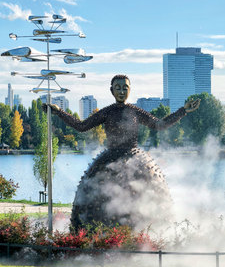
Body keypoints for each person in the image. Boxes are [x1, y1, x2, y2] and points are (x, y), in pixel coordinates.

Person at [42, 74, 200, 232]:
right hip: (108, 162)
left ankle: (151, 234)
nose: (122, 91)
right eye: (118, 88)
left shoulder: (135, 111)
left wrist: (183, 111)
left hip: (136, 161)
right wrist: (59, 112)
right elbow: (82, 126)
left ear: (130, 90)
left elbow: (159, 125)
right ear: (111, 90)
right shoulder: (107, 112)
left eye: (125, 87)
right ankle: (94, 236)